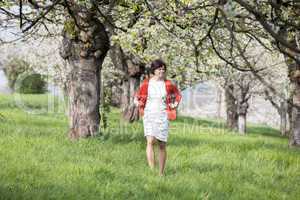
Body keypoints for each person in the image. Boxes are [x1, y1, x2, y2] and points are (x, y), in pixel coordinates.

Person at [134, 59, 182, 176]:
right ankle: (151, 170)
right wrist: (137, 103)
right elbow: (137, 96)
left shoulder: (168, 84)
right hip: (149, 114)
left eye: (163, 69)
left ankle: (161, 172)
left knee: (161, 144)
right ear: (154, 70)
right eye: (159, 69)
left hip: (162, 115)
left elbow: (178, 96)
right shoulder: (147, 83)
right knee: (150, 141)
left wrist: (175, 104)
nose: (162, 71)